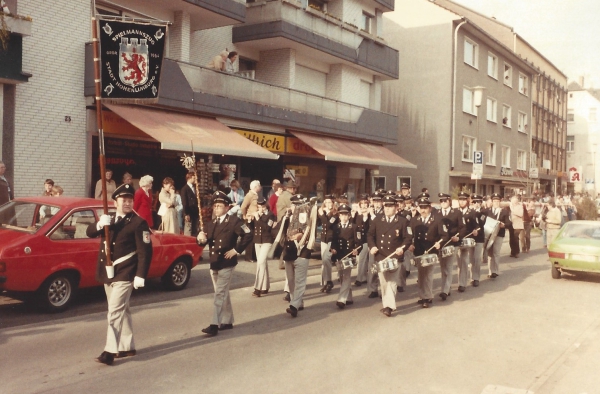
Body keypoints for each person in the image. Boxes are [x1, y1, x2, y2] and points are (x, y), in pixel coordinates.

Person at [86, 183, 153, 366]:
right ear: (115, 202)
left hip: (126, 272)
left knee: (114, 311)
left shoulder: (139, 223)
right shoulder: (110, 219)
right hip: (108, 272)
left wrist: (140, 275)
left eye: (130, 200)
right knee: (123, 309)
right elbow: (89, 232)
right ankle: (127, 346)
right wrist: (100, 224)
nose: (128, 203)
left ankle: (109, 351)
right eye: (124, 200)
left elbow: (145, 251)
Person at [196, 191, 253, 336]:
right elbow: (204, 242)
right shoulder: (211, 224)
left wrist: (237, 250)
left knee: (219, 294)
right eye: (215, 206)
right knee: (221, 293)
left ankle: (214, 324)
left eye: (220, 206)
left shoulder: (234, 221)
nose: (216, 208)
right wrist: (200, 239)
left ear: (227, 207)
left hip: (227, 263)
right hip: (214, 263)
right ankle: (227, 320)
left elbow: (248, 234)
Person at [367, 195, 412, 317]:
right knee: (383, 281)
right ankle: (387, 304)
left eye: (390, 206)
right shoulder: (377, 219)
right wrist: (372, 247)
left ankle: (389, 306)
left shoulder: (403, 221)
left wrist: (402, 248)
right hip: (381, 255)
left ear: (396, 207)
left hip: (395, 256)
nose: (387, 208)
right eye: (385, 206)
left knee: (392, 281)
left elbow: (408, 238)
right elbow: (370, 235)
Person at [279, 194, 316, 318]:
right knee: (290, 280)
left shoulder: (307, 216)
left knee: (300, 280)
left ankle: (294, 305)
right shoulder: (287, 216)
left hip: (302, 251)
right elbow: (279, 230)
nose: (293, 207)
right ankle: (298, 301)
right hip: (289, 251)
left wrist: (301, 235)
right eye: (293, 204)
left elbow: (310, 230)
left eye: (296, 204)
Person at [409, 196, 448, 308]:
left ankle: (427, 297)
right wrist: (410, 244)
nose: (423, 210)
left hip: (431, 251)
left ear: (430, 208)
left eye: (425, 207)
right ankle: (423, 296)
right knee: (421, 275)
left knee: (428, 275)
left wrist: (439, 243)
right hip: (419, 251)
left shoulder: (437, 220)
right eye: (421, 207)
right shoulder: (414, 220)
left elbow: (445, 235)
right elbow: (409, 235)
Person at [331, 203, 360, 309]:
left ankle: (341, 299)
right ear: (339, 216)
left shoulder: (354, 227)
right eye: (341, 215)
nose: (343, 217)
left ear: (349, 216)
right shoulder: (336, 227)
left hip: (349, 256)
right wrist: (333, 249)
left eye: (345, 215)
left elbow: (358, 242)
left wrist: (356, 250)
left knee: (347, 276)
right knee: (342, 277)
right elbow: (334, 241)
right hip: (339, 256)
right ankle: (349, 298)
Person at [437, 192, 465, 300]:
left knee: (448, 267)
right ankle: (446, 288)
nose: (443, 203)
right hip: (441, 244)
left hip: (453, 243)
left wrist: (458, 238)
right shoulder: (437, 213)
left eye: (445, 200)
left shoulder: (456, 213)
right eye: (441, 201)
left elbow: (463, 228)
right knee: (442, 267)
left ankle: (445, 290)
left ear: (449, 201)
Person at [251, 197, 277, 297]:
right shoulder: (258, 214)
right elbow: (253, 228)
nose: (260, 208)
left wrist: (258, 218)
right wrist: (250, 219)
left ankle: (257, 287)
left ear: (266, 206)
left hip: (266, 241)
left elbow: (267, 228)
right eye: (258, 206)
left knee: (260, 262)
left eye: (262, 206)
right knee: (263, 264)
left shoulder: (270, 215)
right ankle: (265, 287)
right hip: (257, 241)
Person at [456, 192, 480, 292]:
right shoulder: (455, 212)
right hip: (456, 240)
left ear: (467, 201)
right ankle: (460, 281)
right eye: (460, 200)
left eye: (464, 200)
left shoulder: (472, 213)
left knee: (465, 261)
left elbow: (477, 226)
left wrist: (475, 231)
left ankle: (462, 284)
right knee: (459, 263)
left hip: (466, 241)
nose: (462, 201)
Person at [484, 193, 511, 279]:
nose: (496, 202)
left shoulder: (504, 211)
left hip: (499, 234)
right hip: (488, 234)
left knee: (496, 252)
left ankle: (495, 271)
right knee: (489, 253)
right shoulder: (487, 211)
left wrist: (504, 225)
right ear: (492, 201)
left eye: (497, 201)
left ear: (500, 201)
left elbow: (509, 223)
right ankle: (490, 270)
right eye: (494, 201)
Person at [318, 194, 338, 293]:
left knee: (326, 258)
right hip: (324, 238)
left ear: (333, 203)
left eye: (330, 202)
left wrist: (323, 214)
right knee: (324, 261)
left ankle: (329, 281)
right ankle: (325, 282)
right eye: (326, 202)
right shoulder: (324, 213)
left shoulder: (335, 214)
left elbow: (328, 224)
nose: (328, 204)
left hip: (331, 239)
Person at [366, 191, 384, 298]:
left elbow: (380, 225)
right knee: (372, 267)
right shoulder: (369, 212)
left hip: (382, 242)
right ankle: (373, 289)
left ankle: (383, 289)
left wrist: (372, 215)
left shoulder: (383, 212)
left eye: (379, 201)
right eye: (375, 201)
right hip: (372, 243)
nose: (377, 204)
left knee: (382, 267)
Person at [276, 181, 297, 273]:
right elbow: (294, 208)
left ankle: (282, 262)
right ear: (292, 188)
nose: (295, 190)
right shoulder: (289, 197)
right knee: (286, 241)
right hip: (286, 220)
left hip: (281, 219)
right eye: (295, 188)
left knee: (284, 241)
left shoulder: (283, 195)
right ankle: (283, 262)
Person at [241, 180, 262, 261]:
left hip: (254, 218)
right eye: (259, 186)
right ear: (255, 187)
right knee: (250, 236)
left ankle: (253, 255)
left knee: (254, 237)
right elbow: (243, 207)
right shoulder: (249, 195)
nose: (260, 187)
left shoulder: (256, 195)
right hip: (249, 219)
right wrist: (245, 215)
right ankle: (249, 256)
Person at [352, 193, 370, 287]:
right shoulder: (357, 213)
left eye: (365, 203)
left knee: (362, 258)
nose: (363, 205)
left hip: (367, 239)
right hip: (358, 240)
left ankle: (359, 278)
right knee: (361, 259)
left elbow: (367, 226)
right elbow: (353, 225)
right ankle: (363, 277)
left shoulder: (370, 213)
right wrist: (355, 214)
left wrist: (366, 216)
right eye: (362, 203)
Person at [470, 194, 486, 287]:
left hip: (479, 238)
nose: (476, 204)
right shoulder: (470, 212)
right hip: (471, 237)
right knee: (471, 259)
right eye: (474, 202)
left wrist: (475, 212)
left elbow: (481, 223)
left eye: (478, 202)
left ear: (481, 203)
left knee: (477, 258)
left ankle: (476, 278)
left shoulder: (484, 212)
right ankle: (472, 277)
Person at [181, 172, 200, 236]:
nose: (195, 180)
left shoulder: (194, 188)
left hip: (194, 212)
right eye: (194, 178)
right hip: (189, 212)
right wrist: (186, 214)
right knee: (188, 229)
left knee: (194, 229)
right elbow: (184, 202)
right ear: (190, 178)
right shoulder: (184, 189)